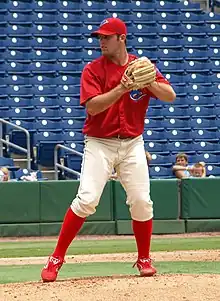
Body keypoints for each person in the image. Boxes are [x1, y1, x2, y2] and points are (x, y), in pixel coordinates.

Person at [41, 17, 176, 282]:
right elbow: (92, 107)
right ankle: (56, 258)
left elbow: (169, 95)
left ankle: (144, 258)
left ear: (121, 39)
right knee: (87, 199)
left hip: (132, 142)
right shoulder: (93, 70)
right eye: (99, 37)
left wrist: (148, 83)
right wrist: (124, 87)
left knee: (141, 202)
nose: (101, 42)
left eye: (106, 37)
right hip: (99, 142)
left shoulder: (142, 66)